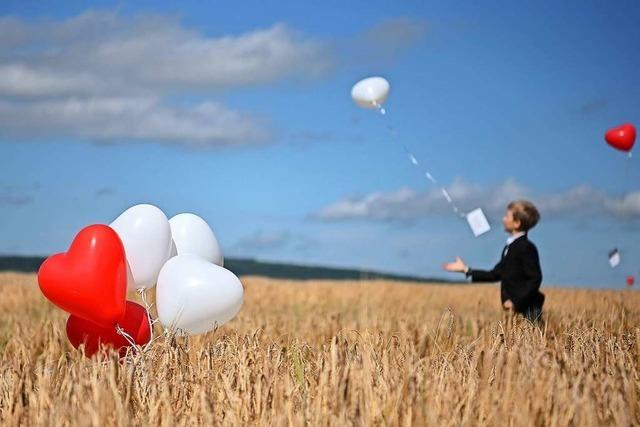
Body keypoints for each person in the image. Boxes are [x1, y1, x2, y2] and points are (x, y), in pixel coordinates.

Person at [443, 200, 544, 322]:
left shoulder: (526, 247)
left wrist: (515, 302)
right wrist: (466, 270)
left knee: (532, 340)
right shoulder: (511, 247)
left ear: (517, 223)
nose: (503, 219)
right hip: (517, 312)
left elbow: (535, 278)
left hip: (528, 311)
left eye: (507, 216)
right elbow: (495, 274)